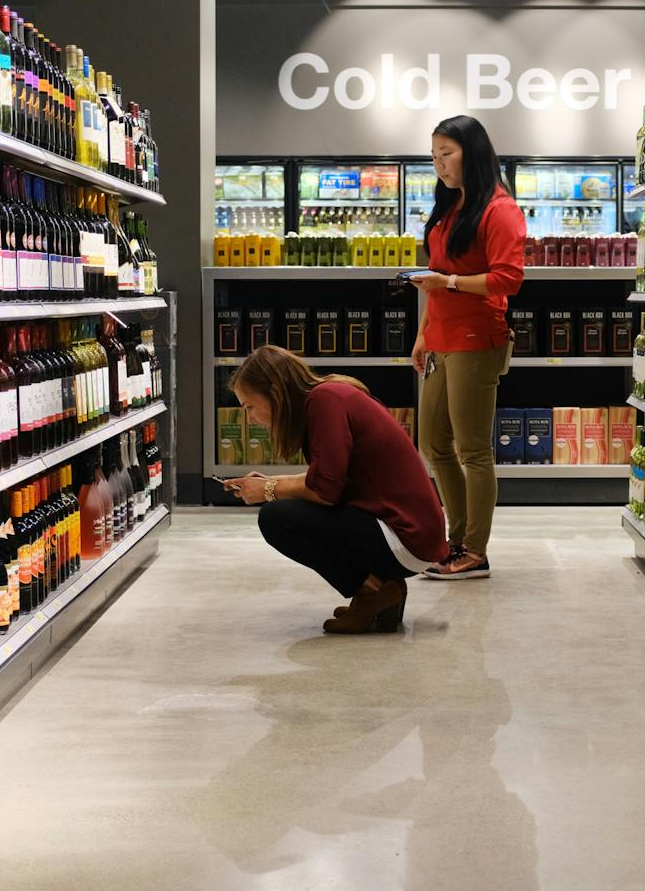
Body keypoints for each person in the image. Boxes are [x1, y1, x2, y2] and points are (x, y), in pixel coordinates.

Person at [224, 345, 448, 634]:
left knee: (275, 518)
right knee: (283, 508)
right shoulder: (330, 393)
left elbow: (324, 491)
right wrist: (269, 482)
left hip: (405, 537)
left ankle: (375, 591)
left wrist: (268, 489)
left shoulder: (324, 401)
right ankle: (378, 592)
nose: (250, 418)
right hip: (410, 530)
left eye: (249, 406)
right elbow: (330, 477)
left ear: (275, 391)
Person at [410, 115, 525, 580]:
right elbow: (434, 278)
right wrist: (422, 333)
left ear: (472, 153)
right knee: (434, 444)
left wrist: (450, 282)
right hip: (440, 340)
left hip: (477, 340)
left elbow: (508, 279)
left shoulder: (500, 209)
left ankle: (474, 551)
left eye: (448, 153)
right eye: (434, 155)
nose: (439, 163)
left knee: (473, 449)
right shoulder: (450, 206)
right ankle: (454, 540)